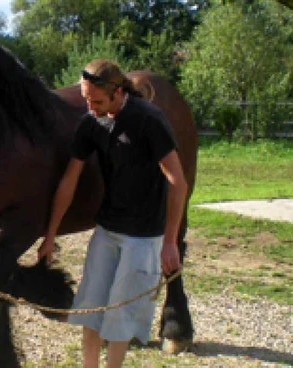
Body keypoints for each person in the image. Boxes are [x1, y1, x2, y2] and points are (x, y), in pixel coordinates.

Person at [38, 59, 188, 368]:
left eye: (96, 101)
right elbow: (69, 179)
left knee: (121, 315)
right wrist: (49, 236)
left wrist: (170, 241)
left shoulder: (149, 120)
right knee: (91, 309)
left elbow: (178, 181)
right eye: (86, 99)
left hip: (144, 236)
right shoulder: (91, 122)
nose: (89, 107)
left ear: (118, 93)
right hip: (107, 229)